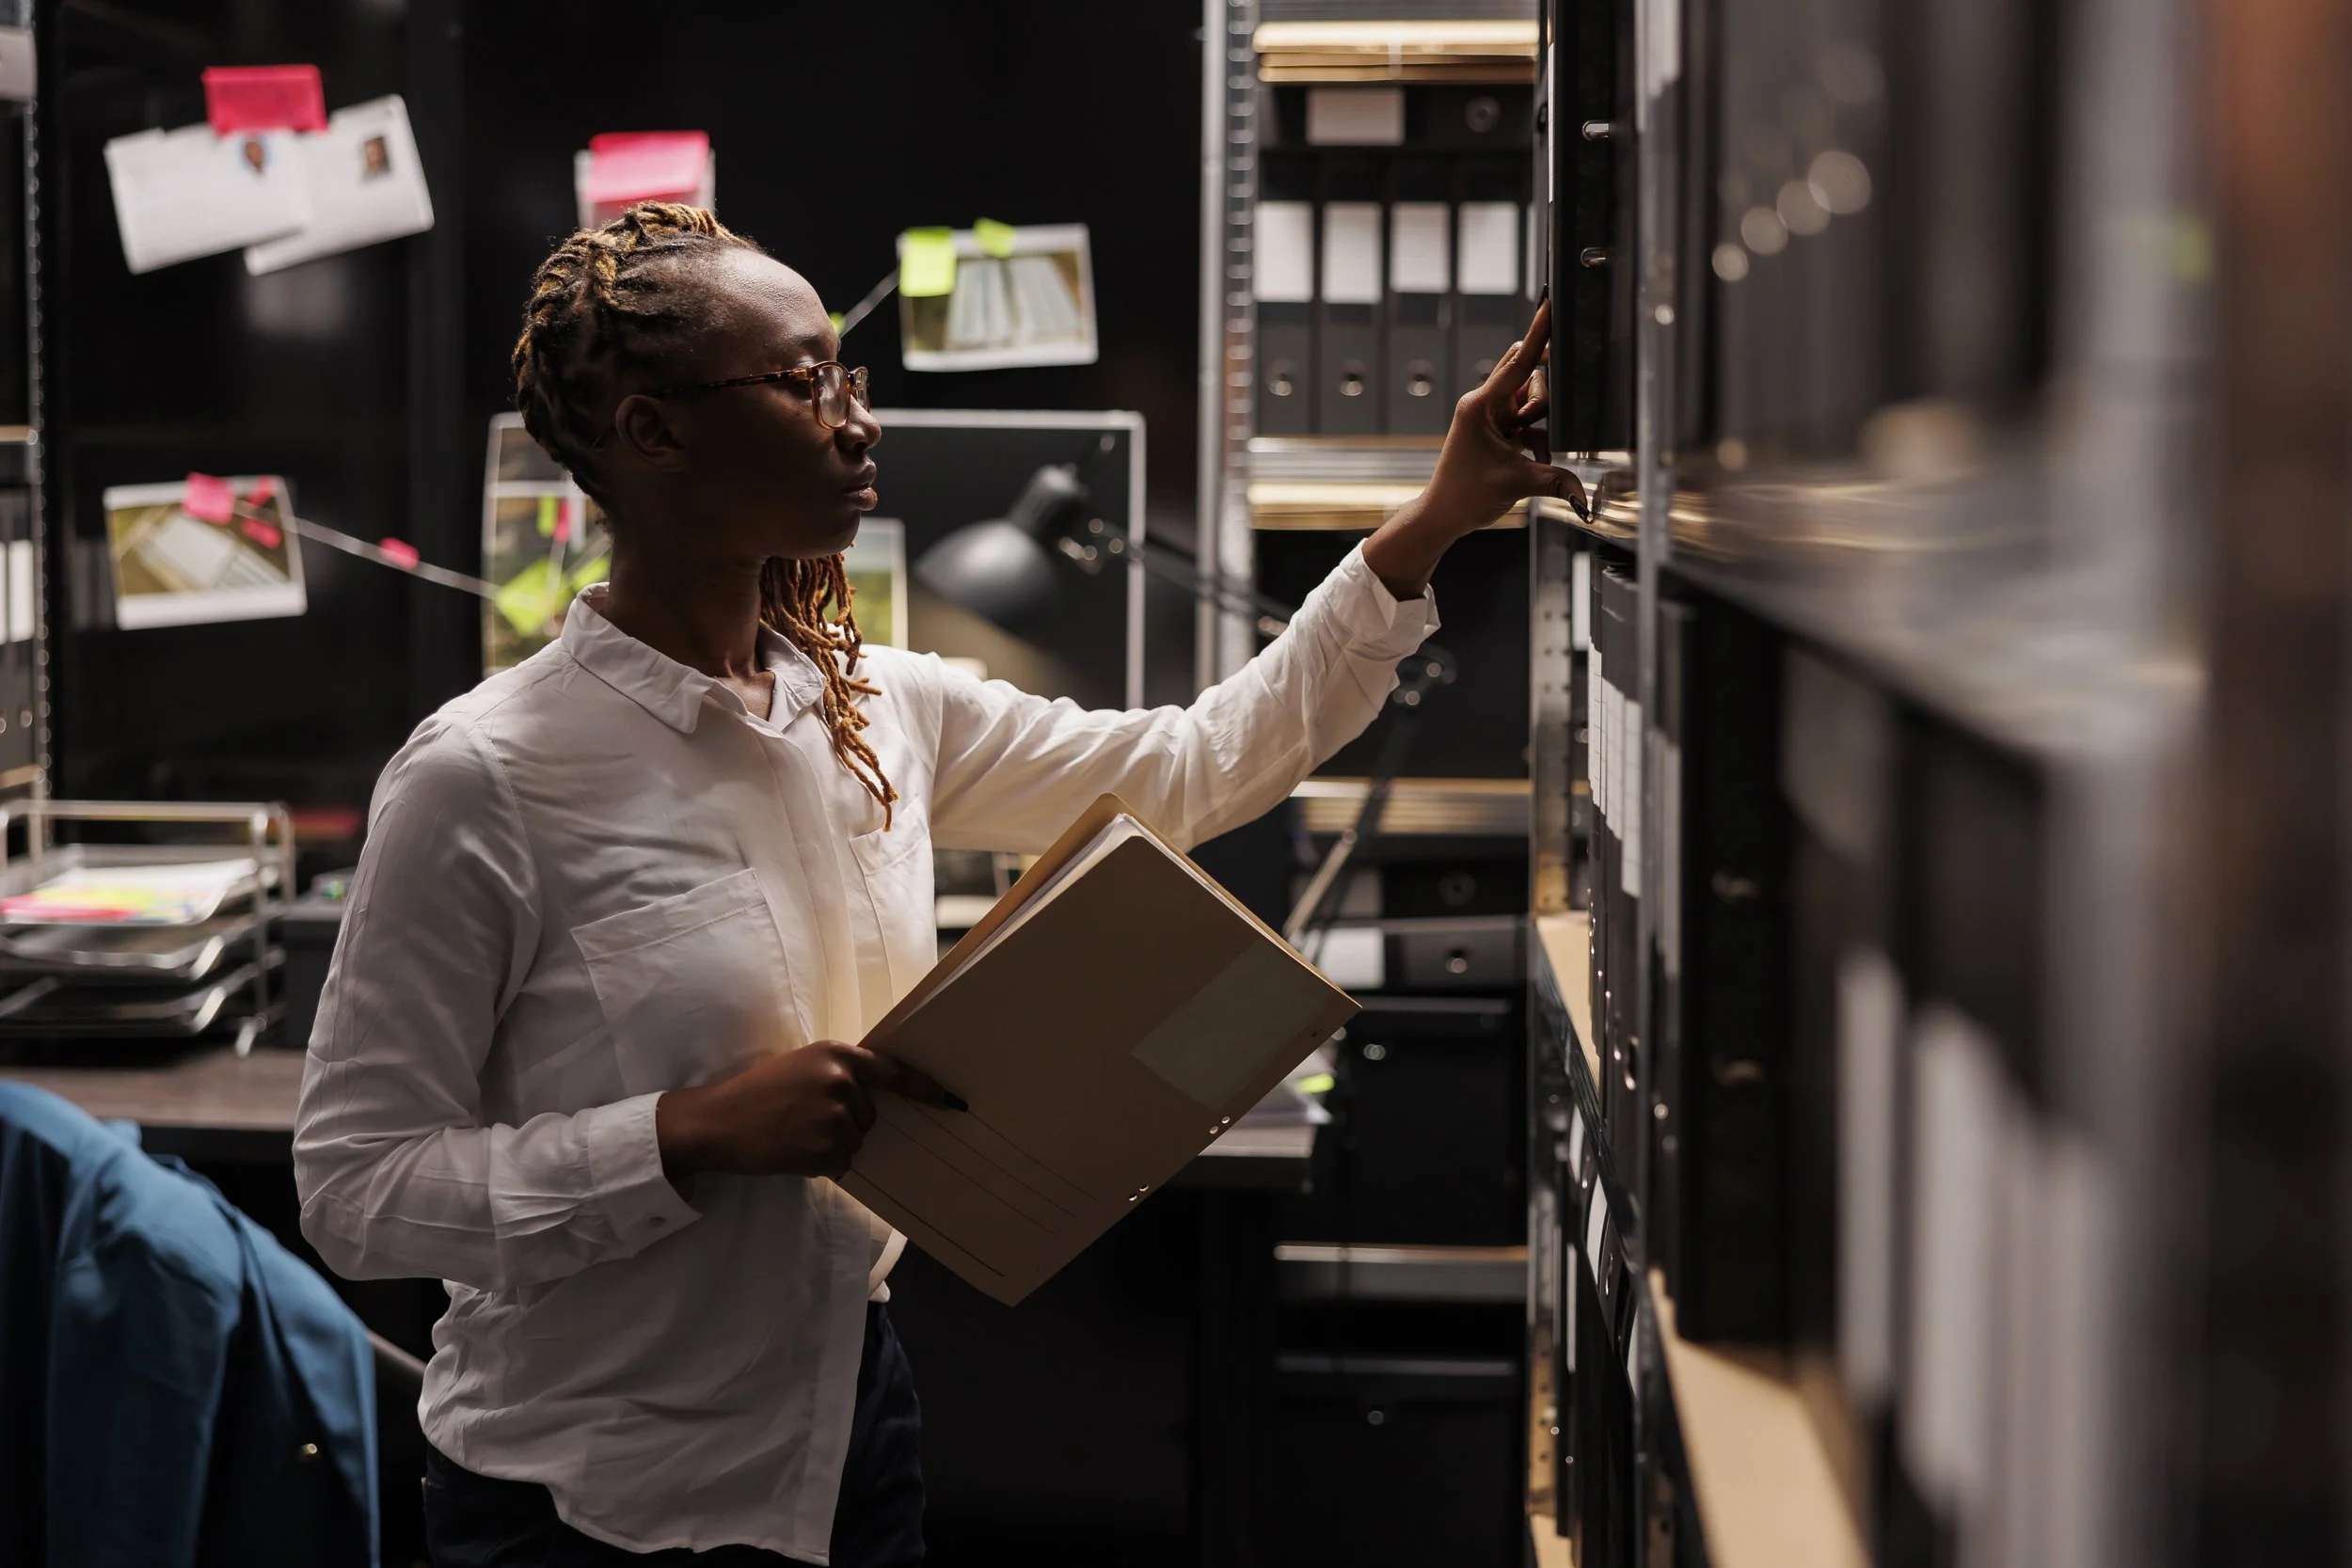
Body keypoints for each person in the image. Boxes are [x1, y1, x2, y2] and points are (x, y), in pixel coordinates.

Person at [293, 201, 1581, 1567]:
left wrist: (1436, 519)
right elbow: (357, 1185)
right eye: (802, 383)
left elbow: (1199, 763)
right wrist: (684, 1131)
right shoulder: (485, 773)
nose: (858, 420)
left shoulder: (875, 707)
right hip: (589, 1505)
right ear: (652, 433)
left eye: (849, 377)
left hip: (852, 1445)